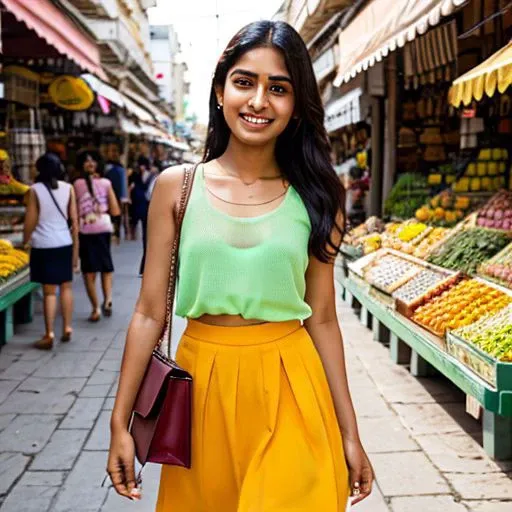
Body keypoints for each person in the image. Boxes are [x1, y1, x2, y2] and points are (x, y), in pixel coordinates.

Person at [107, 20, 373, 510]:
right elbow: (148, 313)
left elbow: (323, 318)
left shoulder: (319, 197)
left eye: (278, 88)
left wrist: (350, 433)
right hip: (202, 385)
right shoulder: (176, 188)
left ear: (295, 107)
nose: (258, 101)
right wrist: (119, 423)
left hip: (293, 382)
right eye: (245, 82)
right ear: (219, 90)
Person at [23, 153, 79, 350]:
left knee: (49, 293)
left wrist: (24, 239)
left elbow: (31, 219)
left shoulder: (34, 190)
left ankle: (49, 334)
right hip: (64, 242)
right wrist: (76, 251)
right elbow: (74, 222)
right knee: (66, 287)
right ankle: (67, 327)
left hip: (44, 244)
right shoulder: (68, 188)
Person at [74, 150, 120, 322]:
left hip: (85, 231)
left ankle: (95, 308)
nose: (90, 163)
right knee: (106, 268)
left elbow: (73, 211)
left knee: (89, 272)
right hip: (103, 229)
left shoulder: (77, 184)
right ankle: (107, 300)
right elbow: (115, 210)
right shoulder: (106, 183)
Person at [104, 144, 129, 244]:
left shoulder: (120, 167)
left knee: (117, 215)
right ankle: (111, 232)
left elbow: (123, 182)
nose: (112, 153)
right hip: (106, 194)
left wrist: (124, 196)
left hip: (117, 194)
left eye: (114, 151)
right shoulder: (105, 166)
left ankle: (116, 234)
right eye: (110, 151)